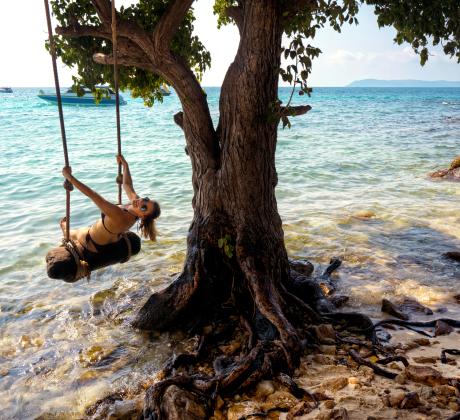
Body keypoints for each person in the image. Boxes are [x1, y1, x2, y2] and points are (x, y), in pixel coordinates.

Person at [60, 155, 160, 255]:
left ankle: (64, 228)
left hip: (92, 241)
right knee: (87, 229)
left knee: (74, 233)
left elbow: (93, 195)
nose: (142, 202)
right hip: (108, 236)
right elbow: (127, 185)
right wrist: (125, 165)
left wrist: (69, 177)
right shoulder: (136, 204)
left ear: (142, 216)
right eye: (146, 199)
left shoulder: (120, 215)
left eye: (144, 208)